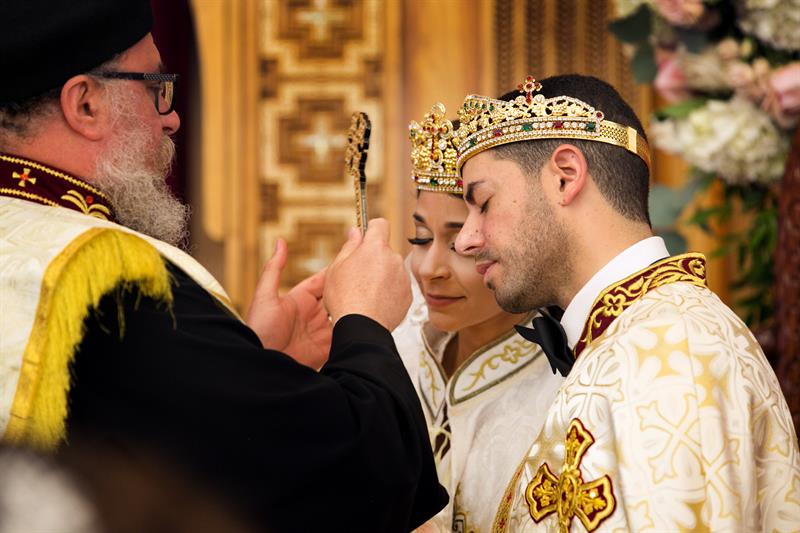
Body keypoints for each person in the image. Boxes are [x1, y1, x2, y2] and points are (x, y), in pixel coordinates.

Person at [0, 1, 447, 532]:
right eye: (155, 87)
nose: (172, 116)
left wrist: (250, 362)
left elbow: (161, 442)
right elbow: (356, 474)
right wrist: (366, 324)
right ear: (85, 104)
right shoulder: (106, 277)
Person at [452, 74, 800, 531]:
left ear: (565, 176)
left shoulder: (672, 352)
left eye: (483, 203)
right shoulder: (633, 340)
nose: (465, 240)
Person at [392, 104, 563, 532]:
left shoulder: (561, 387)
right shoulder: (394, 343)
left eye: (456, 243)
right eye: (420, 237)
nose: (430, 268)